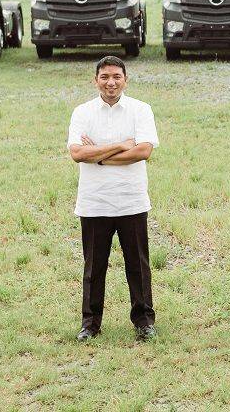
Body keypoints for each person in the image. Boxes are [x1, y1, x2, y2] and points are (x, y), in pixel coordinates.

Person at [67, 56, 159, 342]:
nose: (111, 82)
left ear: (125, 80)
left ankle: (144, 321)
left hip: (131, 200)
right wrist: (120, 146)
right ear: (96, 80)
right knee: (94, 267)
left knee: (138, 265)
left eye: (117, 76)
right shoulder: (82, 112)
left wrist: (100, 157)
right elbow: (78, 153)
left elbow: (143, 151)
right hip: (94, 203)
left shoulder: (141, 110)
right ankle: (90, 324)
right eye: (105, 76)